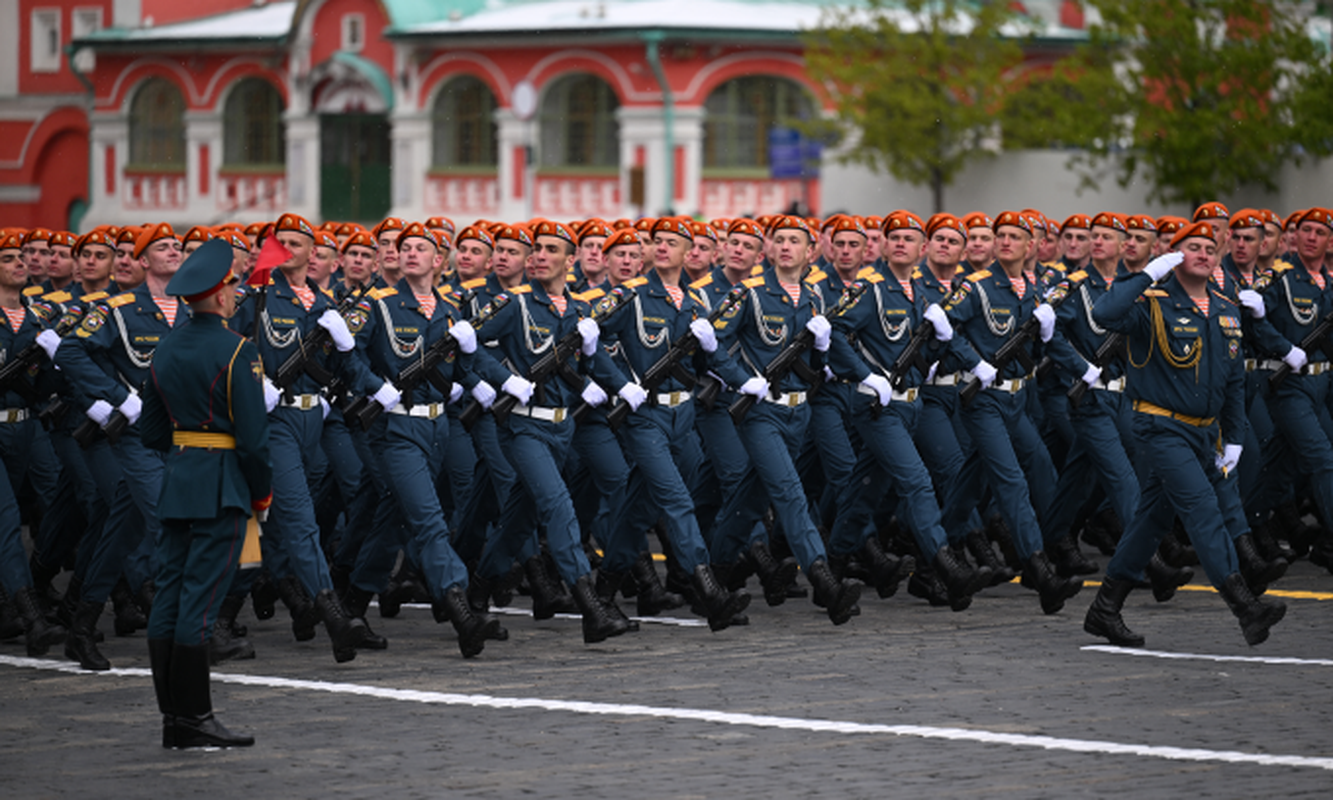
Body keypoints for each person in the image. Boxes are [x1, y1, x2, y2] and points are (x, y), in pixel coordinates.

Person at [1083, 221, 1287, 648]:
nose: (1203, 254)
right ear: (1173, 256)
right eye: (1191, 247)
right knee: (1202, 511)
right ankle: (1245, 607)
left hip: (1203, 433)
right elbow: (1103, 314)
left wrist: (1233, 436)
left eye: (1209, 248)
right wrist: (1147, 273)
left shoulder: (1225, 308)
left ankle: (1105, 609)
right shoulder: (1151, 303)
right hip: (1161, 427)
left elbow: (1233, 380)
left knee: (1151, 521)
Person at [139, 237, 272, 748]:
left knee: (169, 596)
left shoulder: (165, 347)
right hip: (222, 487)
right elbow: (255, 442)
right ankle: (195, 718)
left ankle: (174, 718)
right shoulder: (238, 349)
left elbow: (151, 432)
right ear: (219, 296)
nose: (237, 294)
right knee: (200, 601)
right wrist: (260, 496)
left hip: (178, 481)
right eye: (233, 286)